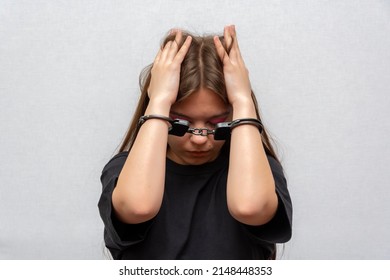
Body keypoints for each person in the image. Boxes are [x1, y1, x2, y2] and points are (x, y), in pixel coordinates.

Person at [98, 25, 292, 260]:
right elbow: (138, 207)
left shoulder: (262, 172)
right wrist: (159, 100)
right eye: (180, 121)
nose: (200, 139)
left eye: (217, 121)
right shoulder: (123, 171)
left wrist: (242, 100)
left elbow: (249, 207)